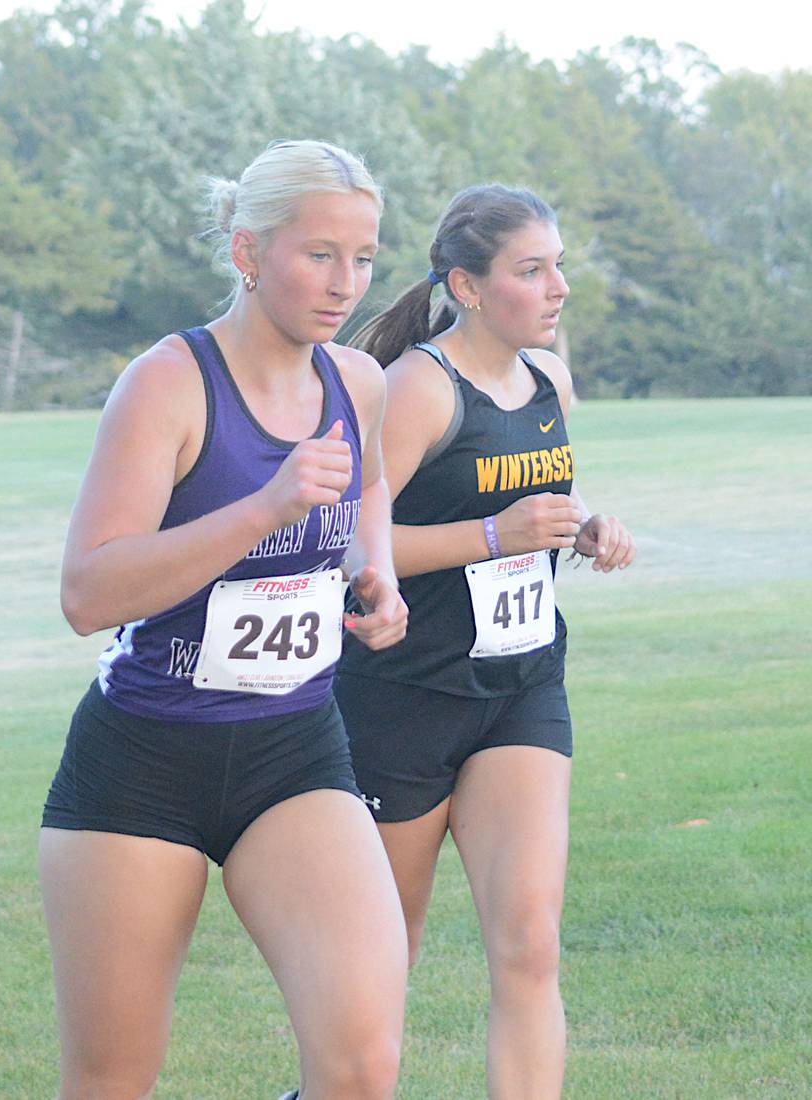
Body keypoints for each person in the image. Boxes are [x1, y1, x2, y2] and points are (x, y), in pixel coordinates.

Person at [41, 139, 411, 1100]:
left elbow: (367, 493)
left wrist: (377, 574)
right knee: (111, 1081)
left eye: (363, 258)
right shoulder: (168, 382)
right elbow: (88, 592)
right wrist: (263, 510)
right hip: (143, 763)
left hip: (296, 750)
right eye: (319, 254)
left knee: (363, 1067)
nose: (346, 283)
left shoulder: (358, 383)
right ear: (248, 251)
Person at [337, 185, 636, 1099]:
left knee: (530, 942)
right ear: (466, 285)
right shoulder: (419, 387)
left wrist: (584, 528)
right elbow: (355, 541)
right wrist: (497, 536)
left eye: (558, 267)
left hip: (521, 685)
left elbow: (530, 506)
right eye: (532, 269)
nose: (558, 288)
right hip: (405, 696)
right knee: (386, 956)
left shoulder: (549, 381)